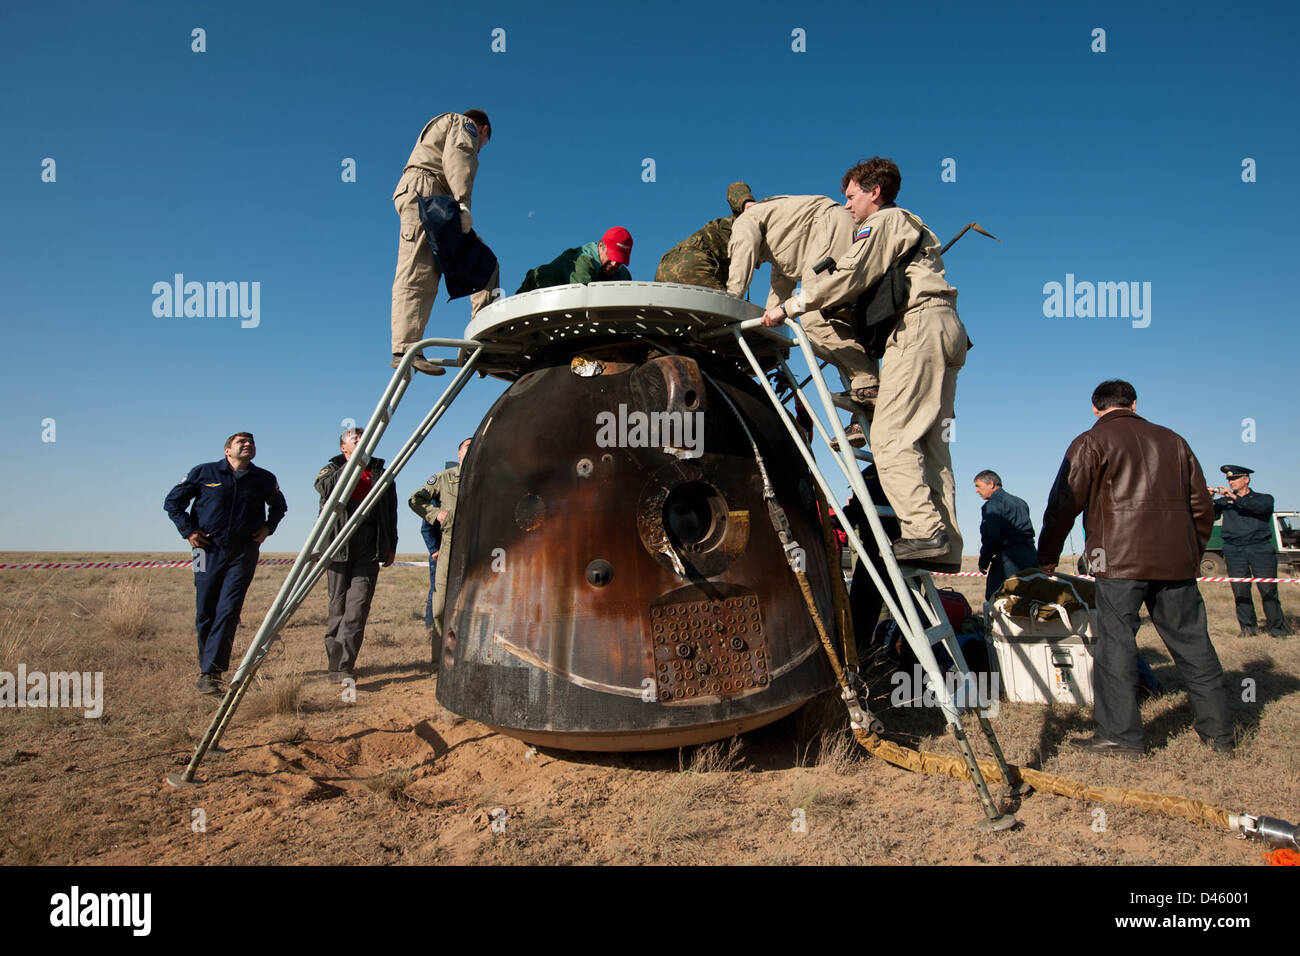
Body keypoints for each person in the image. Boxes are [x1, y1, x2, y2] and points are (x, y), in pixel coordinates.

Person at [766, 158, 967, 565]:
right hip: (943, 329)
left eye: (852, 196)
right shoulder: (907, 228)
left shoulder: (885, 221)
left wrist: (793, 305)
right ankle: (946, 545)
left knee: (891, 438)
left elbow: (850, 274)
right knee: (931, 447)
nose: (847, 205)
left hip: (915, 330)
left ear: (874, 192)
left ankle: (923, 532)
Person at [1037, 380, 1234, 756]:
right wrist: (1191, 552)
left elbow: (1065, 501)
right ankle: (1220, 734)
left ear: (1095, 409)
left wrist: (1047, 554)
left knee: (1116, 647)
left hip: (1117, 561)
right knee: (1194, 645)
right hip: (1176, 564)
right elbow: (1202, 506)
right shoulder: (1174, 441)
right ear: (1135, 403)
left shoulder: (1090, 442)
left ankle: (1120, 737)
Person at [730, 193, 879, 445]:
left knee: (814, 318)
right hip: (829, 231)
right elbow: (780, 287)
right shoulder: (780, 240)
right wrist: (767, 325)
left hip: (829, 228)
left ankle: (870, 385)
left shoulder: (744, 222)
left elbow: (742, 252)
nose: (756, 266)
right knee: (839, 325)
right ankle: (863, 413)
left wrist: (731, 302)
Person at [164, 433, 288, 695]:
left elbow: (279, 507)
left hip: (243, 552)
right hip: (204, 551)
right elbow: (172, 502)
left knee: (229, 609)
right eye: (241, 442)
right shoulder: (204, 472)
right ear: (227, 450)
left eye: (251, 442)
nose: (247, 445)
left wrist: (268, 527)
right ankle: (206, 666)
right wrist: (188, 531)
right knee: (205, 608)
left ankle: (211, 673)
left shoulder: (264, 478)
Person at [391, 109, 497, 376]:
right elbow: (460, 156)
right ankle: (405, 348)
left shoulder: (451, 125)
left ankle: (479, 342)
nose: (480, 148)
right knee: (419, 270)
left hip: (440, 200)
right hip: (427, 193)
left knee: (485, 264)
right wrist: (463, 202)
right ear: (483, 130)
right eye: (484, 144)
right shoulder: (464, 125)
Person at [314, 428, 398, 680]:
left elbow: (390, 511)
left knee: (358, 606)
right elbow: (325, 488)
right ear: (344, 448)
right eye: (355, 439)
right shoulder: (332, 468)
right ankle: (334, 663)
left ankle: (344, 666)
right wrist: (352, 464)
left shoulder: (380, 472)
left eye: (364, 439)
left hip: (369, 544)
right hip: (339, 543)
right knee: (338, 606)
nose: (362, 442)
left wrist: (391, 545)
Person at [409, 437, 471, 665]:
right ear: (458, 453)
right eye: (467, 446)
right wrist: (436, 515)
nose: (472, 449)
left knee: (472, 606)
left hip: (477, 550)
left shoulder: (488, 479)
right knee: (440, 606)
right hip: (448, 547)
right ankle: (442, 654)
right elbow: (415, 499)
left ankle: (462, 658)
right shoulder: (444, 478)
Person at [1212, 465, 1291, 637]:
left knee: (1268, 589)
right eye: (1229, 480)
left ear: (1246, 479)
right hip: (1234, 549)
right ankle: (1248, 628)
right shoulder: (1224, 502)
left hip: (1259, 548)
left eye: (1234, 479)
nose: (1230, 482)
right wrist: (1207, 498)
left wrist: (1234, 498)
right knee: (1240, 590)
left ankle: (1276, 628)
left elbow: (1259, 508)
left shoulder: (1263, 498)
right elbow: (1210, 515)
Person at [655, 182, 756, 288]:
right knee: (724, 304)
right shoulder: (754, 221)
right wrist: (747, 203)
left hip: (665, 267)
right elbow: (736, 186)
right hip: (694, 263)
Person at [974, 470, 1038, 600]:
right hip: (1031, 557)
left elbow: (991, 537)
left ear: (991, 484)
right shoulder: (1021, 502)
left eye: (978, 486)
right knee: (1030, 599)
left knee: (997, 599)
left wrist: (983, 561)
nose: (977, 491)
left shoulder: (992, 506)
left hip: (1009, 560)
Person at [516, 227, 633, 292]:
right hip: (539, 293)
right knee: (548, 274)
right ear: (601, 246)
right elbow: (584, 297)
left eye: (619, 262)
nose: (614, 264)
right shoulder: (584, 261)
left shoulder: (623, 274)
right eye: (611, 257)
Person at [409, 497, 444, 633]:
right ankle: (430, 630)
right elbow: (426, 529)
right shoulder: (438, 500)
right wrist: (434, 550)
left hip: (460, 556)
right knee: (435, 591)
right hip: (439, 556)